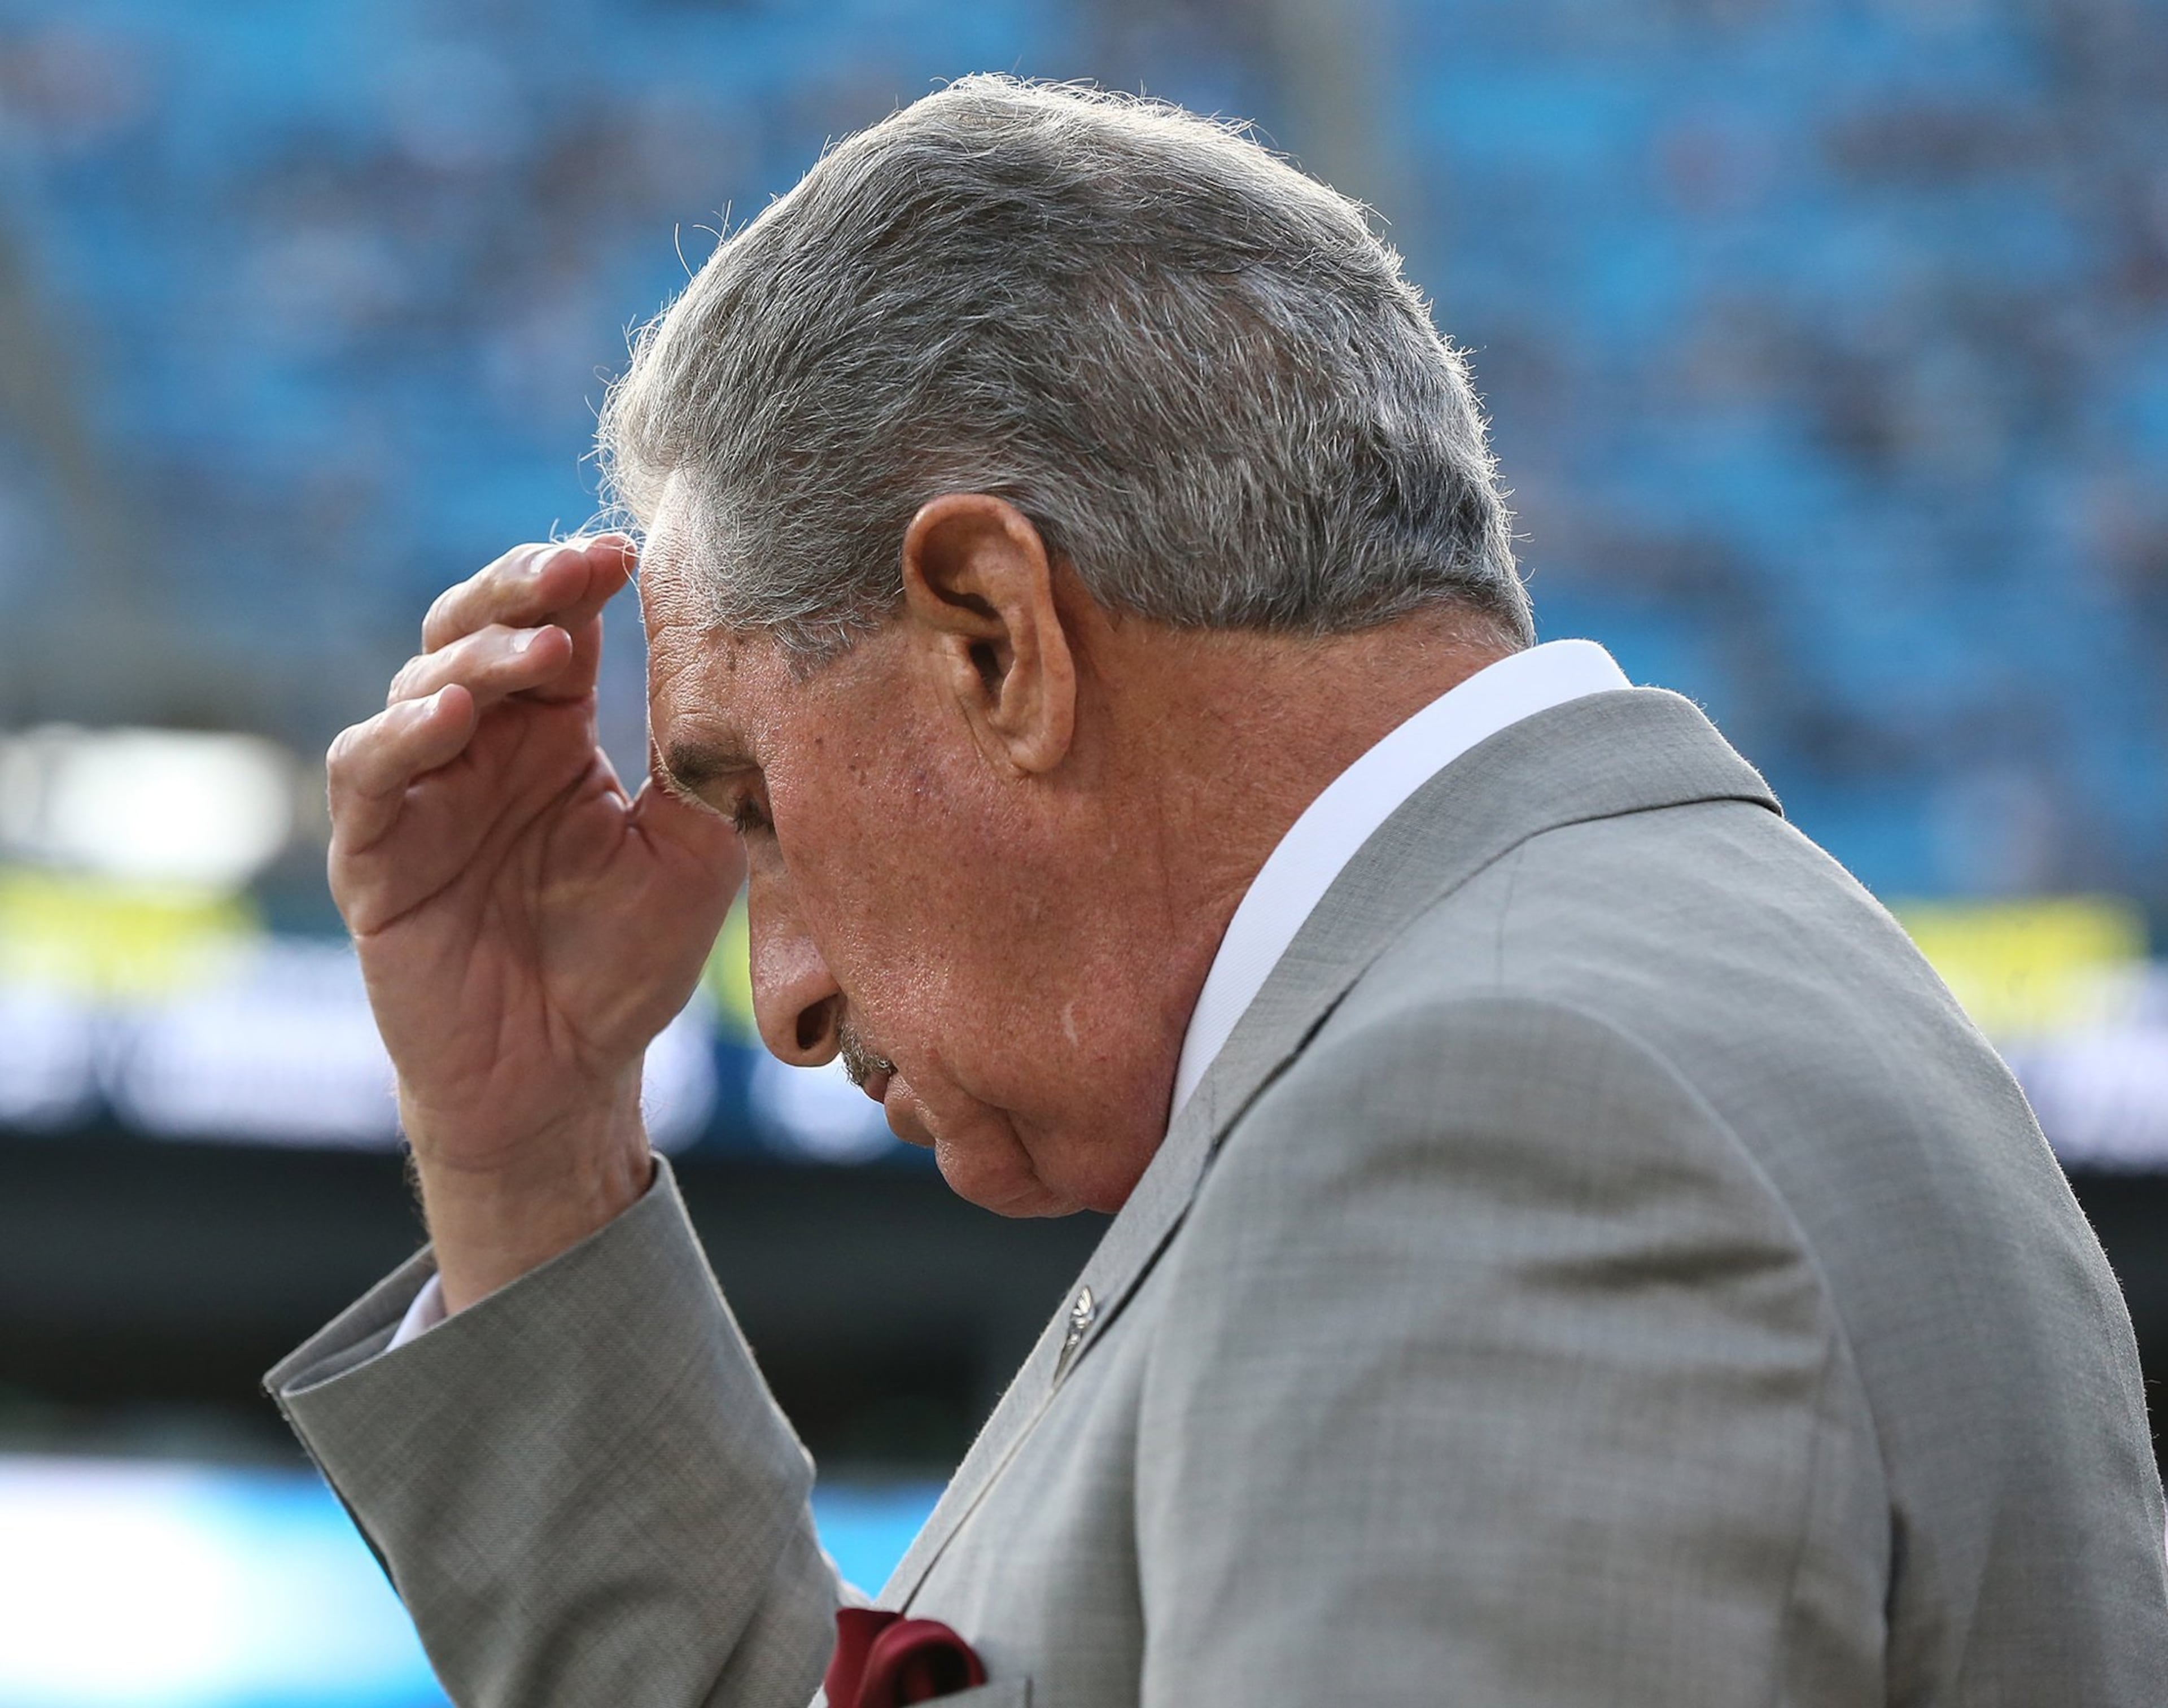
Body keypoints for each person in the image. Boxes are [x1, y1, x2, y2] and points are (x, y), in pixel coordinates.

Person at [268, 77, 2168, 1706]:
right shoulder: (1619, 997)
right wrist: (533, 1152)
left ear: (996, 635)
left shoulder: (1493, 1115)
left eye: (757, 802)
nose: (786, 998)